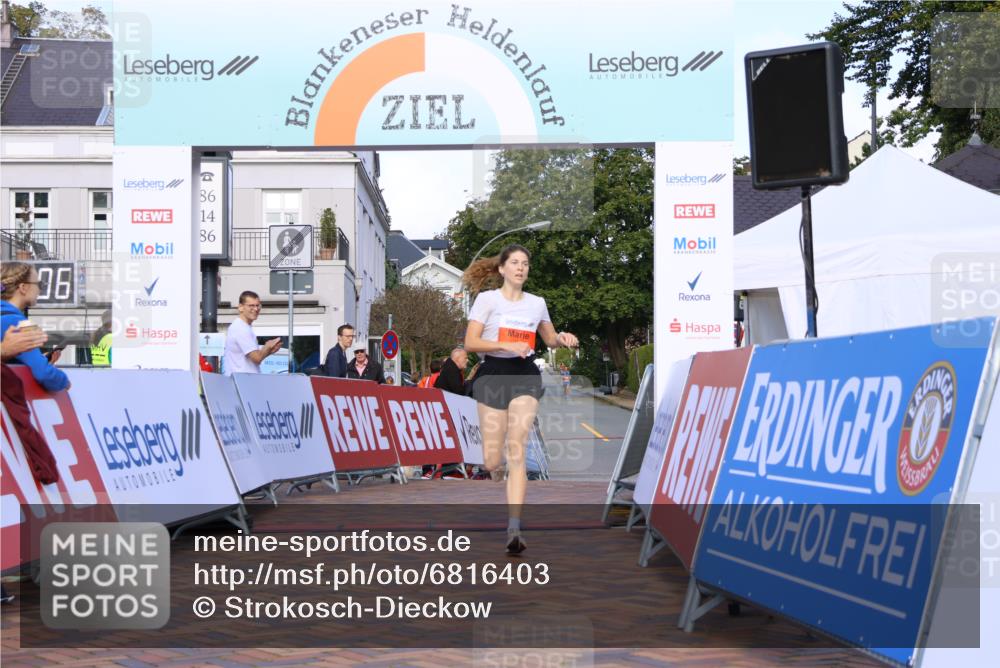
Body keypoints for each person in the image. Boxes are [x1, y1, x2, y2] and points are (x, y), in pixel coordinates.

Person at [463, 244, 578, 554]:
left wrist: (562, 339)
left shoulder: (537, 303)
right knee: (492, 460)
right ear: (502, 269)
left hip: (525, 375)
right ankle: (496, 474)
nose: (520, 268)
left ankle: (514, 527)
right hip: (492, 375)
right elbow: (470, 342)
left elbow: (549, 339)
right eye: (514, 262)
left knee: (517, 447)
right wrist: (504, 344)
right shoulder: (487, 300)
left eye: (525, 263)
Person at [1, 262, 70, 392]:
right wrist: (64, 381)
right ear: (23, 287)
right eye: (39, 284)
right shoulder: (21, 324)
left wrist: (37, 359)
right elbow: (44, 374)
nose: (40, 290)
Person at [223, 291, 281, 376]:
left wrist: (269, 351)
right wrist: (267, 346)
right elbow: (256, 358)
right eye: (251, 306)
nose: (256, 309)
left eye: (258, 305)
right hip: (242, 382)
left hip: (243, 380)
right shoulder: (241, 328)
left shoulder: (243, 327)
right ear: (240, 307)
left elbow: (255, 359)